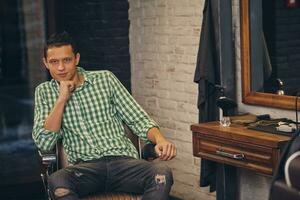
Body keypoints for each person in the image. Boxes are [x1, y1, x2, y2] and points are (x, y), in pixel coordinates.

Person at [32, 31, 176, 200]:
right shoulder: (44, 92)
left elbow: (138, 119)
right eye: (54, 62)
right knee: (58, 181)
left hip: (124, 163)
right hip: (84, 170)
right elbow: (44, 142)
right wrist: (62, 99)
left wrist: (160, 140)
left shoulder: (105, 79)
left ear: (76, 59)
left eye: (67, 60)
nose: (61, 68)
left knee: (162, 174)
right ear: (45, 63)